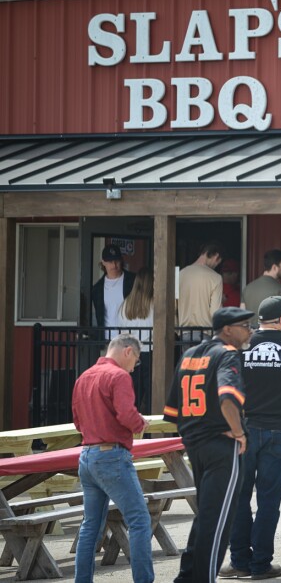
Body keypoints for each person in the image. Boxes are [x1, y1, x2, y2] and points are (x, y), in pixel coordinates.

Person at [163, 306, 252, 583]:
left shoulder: (189, 354)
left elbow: (172, 412)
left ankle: (187, 577)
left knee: (207, 516)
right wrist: (239, 433)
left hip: (195, 445)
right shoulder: (227, 354)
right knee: (218, 523)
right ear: (227, 330)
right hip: (221, 445)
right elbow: (227, 398)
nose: (249, 331)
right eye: (244, 326)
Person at [222, 297, 281, 580]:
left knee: (239, 497)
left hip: (244, 429)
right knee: (269, 501)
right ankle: (261, 564)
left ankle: (239, 561)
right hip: (280, 430)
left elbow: (227, 388)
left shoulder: (241, 346)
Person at [73, 334, 152, 583]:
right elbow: (127, 415)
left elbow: (77, 422)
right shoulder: (119, 376)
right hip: (112, 455)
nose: (134, 366)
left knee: (90, 526)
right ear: (128, 351)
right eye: (136, 360)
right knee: (139, 520)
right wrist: (141, 423)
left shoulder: (83, 377)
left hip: (86, 455)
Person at [118, 267, 155, 411]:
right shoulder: (155, 305)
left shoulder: (125, 305)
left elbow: (122, 332)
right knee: (154, 395)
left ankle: (133, 429)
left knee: (134, 397)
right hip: (151, 353)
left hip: (131, 353)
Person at [178, 242, 224, 339]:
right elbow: (215, 312)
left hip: (184, 333)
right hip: (205, 332)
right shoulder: (216, 278)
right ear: (216, 256)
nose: (216, 266)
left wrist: (178, 330)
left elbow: (173, 307)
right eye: (217, 263)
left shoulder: (180, 274)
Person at [90, 244, 136, 335]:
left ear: (121, 260)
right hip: (107, 340)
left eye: (116, 261)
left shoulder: (133, 281)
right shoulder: (97, 289)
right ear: (103, 262)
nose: (114, 265)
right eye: (110, 261)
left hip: (129, 338)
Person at [242, 250, 281, 327]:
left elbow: (242, 317)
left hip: (251, 336)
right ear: (274, 267)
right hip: (272, 336)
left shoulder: (247, 288)